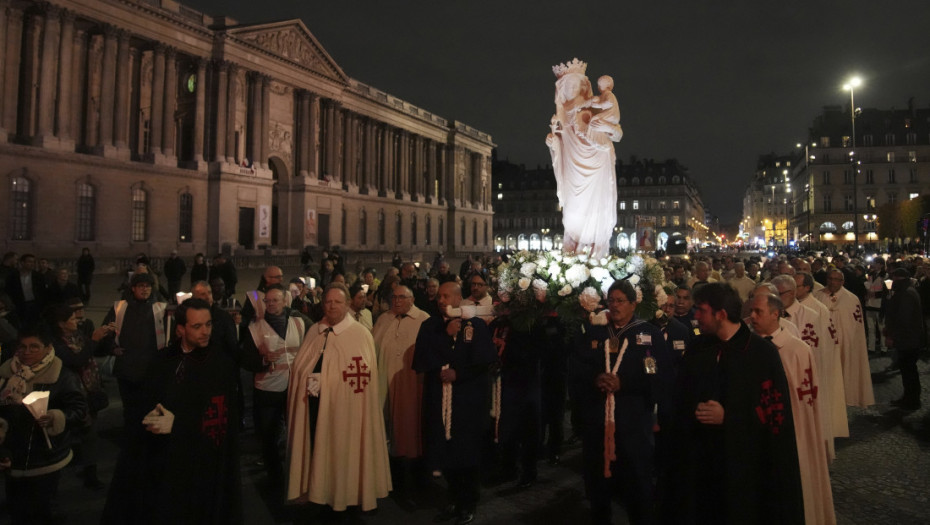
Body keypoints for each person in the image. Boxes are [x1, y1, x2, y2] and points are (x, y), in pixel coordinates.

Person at [664, 282, 803, 524]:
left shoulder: (761, 354)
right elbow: (681, 398)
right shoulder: (698, 348)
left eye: (701, 310)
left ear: (721, 314)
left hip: (743, 470)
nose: (695, 316)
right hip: (700, 468)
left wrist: (729, 417)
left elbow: (774, 415)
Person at [102, 298, 242, 524]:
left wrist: (179, 425)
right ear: (180, 329)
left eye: (208, 324)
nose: (205, 332)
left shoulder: (220, 365)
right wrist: (149, 416)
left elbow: (220, 421)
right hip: (163, 462)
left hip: (200, 466)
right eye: (197, 326)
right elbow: (147, 400)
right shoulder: (162, 360)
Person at [571, 280, 671, 525]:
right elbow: (576, 367)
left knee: (636, 485)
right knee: (598, 485)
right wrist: (596, 379)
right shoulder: (595, 333)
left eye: (620, 301)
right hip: (598, 421)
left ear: (633, 304)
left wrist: (623, 383)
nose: (614, 306)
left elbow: (657, 376)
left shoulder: (649, 334)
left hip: (632, 423)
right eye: (611, 300)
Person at [285, 284, 391, 513]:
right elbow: (301, 366)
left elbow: (361, 381)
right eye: (328, 302)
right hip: (312, 407)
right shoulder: (315, 330)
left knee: (340, 457)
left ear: (347, 305)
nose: (332, 306)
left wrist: (327, 383)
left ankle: (342, 497)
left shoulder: (359, 335)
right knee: (315, 450)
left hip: (344, 413)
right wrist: (307, 379)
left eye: (337, 302)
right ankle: (316, 493)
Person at [747, 293, 836, 525]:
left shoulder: (798, 350)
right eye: (751, 311)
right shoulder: (746, 346)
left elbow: (806, 398)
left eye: (758, 312)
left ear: (776, 314)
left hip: (791, 429)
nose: (752, 316)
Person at [413, 282, 497, 525]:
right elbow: (421, 360)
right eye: (439, 295)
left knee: (466, 454)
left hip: (465, 403)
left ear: (459, 299)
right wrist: (445, 335)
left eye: (446, 295)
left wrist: (459, 374)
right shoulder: (430, 326)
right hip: (439, 401)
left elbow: (484, 363)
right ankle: (452, 497)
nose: (441, 299)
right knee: (445, 453)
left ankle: (468, 501)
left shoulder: (475, 325)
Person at [0, 327, 88, 524]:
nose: (27, 352)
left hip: (45, 457)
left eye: (34, 347)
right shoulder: (5, 374)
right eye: (22, 347)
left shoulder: (62, 375)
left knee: (42, 510)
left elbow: (79, 408)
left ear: (48, 348)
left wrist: (56, 417)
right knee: (17, 510)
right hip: (12, 457)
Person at [547, 59, 622, 258]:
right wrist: (553, 143)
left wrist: (601, 127)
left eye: (575, 85)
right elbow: (559, 143)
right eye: (568, 85)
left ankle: (595, 250)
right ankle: (575, 245)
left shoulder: (595, 104)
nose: (572, 89)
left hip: (597, 161)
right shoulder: (561, 115)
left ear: (583, 86)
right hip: (573, 165)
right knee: (572, 211)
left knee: (597, 206)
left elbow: (618, 134)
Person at [242, 286, 307, 485]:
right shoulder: (255, 328)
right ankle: (275, 477)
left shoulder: (300, 322)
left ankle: (297, 473)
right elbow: (245, 360)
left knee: (297, 433)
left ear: (284, 301)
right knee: (269, 435)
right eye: (267, 301)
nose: (270, 304)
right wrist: (262, 361)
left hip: (296, 387)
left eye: (275, 300)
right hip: (268, 389)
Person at [371, 285, 430, 501]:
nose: (396, 301)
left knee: (412, 427)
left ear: (412, 298)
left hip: (413, 384)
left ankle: (419, 476)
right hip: (383, 382)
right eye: (393, 297)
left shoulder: (424, 320)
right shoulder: (383, 319)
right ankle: (391, 474)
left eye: (401, 297)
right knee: (388, 427)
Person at [771, 275, 839, 459]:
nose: (775, 298)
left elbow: (816, 353)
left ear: (792, 293)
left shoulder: (811, 316)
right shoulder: (771, 317)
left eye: (779, 294)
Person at [47, 303, 112, 490]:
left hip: (89, 391)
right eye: (72, 319)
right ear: (61, 324)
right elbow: (76, 360)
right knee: (71, 433)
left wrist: (106, 337)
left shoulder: (77, 335)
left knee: (89, 433)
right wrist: (93, 340)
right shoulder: (56, 343)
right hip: (71, 394)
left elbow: (93, 352)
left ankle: (89, 472)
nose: (77, 321)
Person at [97, 272, 169, 431]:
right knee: (130, 408)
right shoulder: (120, 308)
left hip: (151, 369)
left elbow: (169, 335)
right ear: (133, 288)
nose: (145, 289)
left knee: (151, 407)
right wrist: (112, 348)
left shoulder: (160, 308)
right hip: (127, 369)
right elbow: (105, 332)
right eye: (141, 286)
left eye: (148, 286)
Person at [813, 269, 875, 408]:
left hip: (844, 343)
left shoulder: (851, 299)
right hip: (823, 343)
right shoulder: (818, 295)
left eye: (836, 279)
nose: (832, 282)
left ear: (842, 282)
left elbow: (854, 326)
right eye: (830, 278)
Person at [884, 268, 923, 410]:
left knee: (908, 370)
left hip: (908, 339)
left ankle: (911, 399)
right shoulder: (908, 291)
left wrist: (892, 335)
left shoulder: (905, 294)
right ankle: (910, 397)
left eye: (894, 279)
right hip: (910, 338)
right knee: (908, 370)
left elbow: (903, 318)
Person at [5, 253, 46, 328]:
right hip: (20, 305)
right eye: (29, 261)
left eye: (33, 262)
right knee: (22, 325)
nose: (32, 264)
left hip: (35, 304)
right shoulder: (14, 276)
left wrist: (41, 305)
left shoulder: (38, 276)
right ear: (22, 263)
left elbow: (42, 292)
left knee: (35, 325)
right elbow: (9, 290)